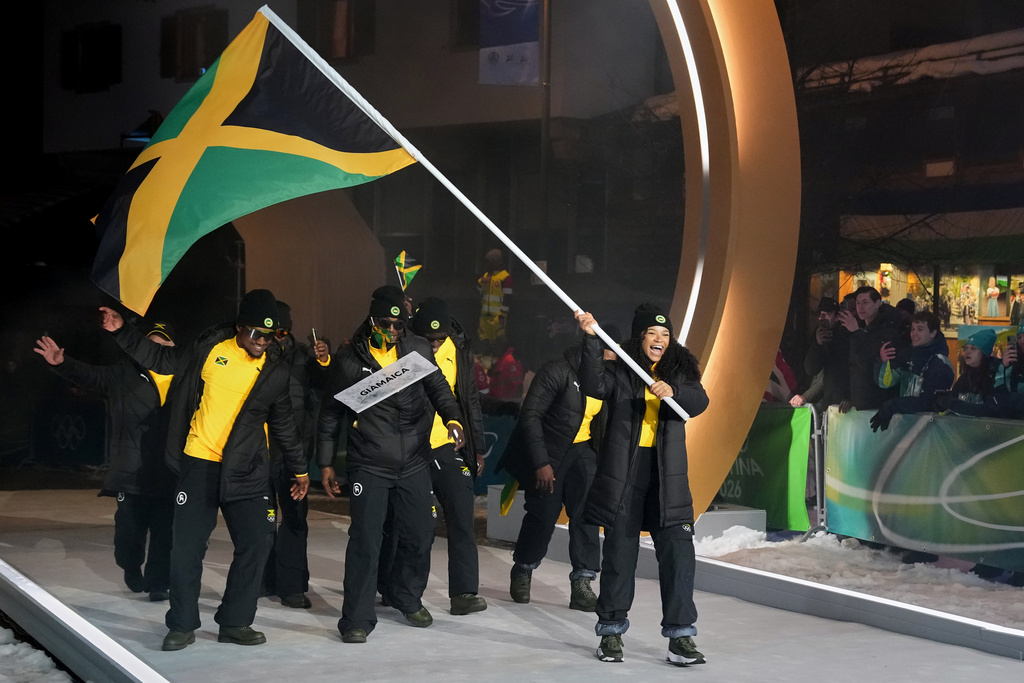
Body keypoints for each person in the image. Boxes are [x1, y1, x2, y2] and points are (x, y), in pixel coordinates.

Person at [99, 289, 310, 652]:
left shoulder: (276, 368)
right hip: (200, 461)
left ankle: (235, 621)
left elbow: (284, 422)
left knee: (258, 541)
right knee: (186, 548)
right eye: (256, 333)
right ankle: (181, 625)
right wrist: (122, 332)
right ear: (240, 327)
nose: (262, 342)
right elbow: (159, 357)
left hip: (248, 469)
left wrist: (301, 469)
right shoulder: (209, 349)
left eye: (270, 335)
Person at [317, 292, 466, 643]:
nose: (394, 330)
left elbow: (439, 389)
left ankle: (405, 595)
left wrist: (454, 419)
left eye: (400, 325)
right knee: (366, 542)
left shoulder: (417, 349)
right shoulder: (351, 360)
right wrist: (324, 462)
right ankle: (356, 619)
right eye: (387, 324)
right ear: (372, 321)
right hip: (370, 463)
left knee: (420, 532)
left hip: (414, 458)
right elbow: (330, 414)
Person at [576, 305, 709, 666]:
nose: (660, 340)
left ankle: (681, 637)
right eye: (653, 333)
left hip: (669, 479)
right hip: (625, 477)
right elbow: (592, 384)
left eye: (665, 335)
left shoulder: (679, 372)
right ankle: (611, 632)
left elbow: (700, 401)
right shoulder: (620, 371)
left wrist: (674, 390)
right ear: (639, 338)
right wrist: (590, 341)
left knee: (680, 556)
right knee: (620, 556)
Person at [33, 322, 177, 601]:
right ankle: (131, 565)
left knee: (166, 532)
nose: (155, 350)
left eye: (163, 345)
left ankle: (159, 581)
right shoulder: (124, 372)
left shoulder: (186, 377)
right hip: (130, 471)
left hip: (171, 471)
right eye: (151, 343)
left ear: (173, 348)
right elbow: (91, 375)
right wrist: (62, 363)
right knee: (129, 532)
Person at [378, 297, 488, 616]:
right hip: (410, 448)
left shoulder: (460, 352)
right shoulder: (403, 348)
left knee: (462, 516)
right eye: (430, 340)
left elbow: (469, 402)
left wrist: (477, 447)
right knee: (405, 522)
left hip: (447, 446)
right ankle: (391, 586)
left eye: (440, 339)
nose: (436, 345)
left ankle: (464, 593)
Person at [498, 326, 621, 613]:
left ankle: (583, 582)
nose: (615, 355)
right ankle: (524, 567)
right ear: (594, 349)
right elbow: (531, 416)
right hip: (549, 451)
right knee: (543, 516)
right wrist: (541, 462)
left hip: (584, 450)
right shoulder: (557, 371)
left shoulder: (608, 376)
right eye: (610, 349)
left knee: (586, 515)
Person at [261, 302, 330, 609]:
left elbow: (326, 385)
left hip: (295, 454)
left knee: (294, 520)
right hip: (258, 452)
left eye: (283, 330)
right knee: (260, 522)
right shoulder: (253, 353)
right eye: (272, 331)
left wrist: (325, 359)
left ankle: (292, 587)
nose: (277, 337)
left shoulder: (304, 355)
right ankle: (264, 580)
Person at [869, 311, 954, 432]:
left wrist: (892, 406)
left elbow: (928, 402)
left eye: (920, 329)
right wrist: (883, 362)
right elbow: (886, 382)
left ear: (933, 333)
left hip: (931, 431)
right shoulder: (908, 355)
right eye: (913, 329)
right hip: (908, 427)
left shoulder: (940, 363)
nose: (914, 334)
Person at [840, 286, 904, 411]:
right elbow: (853, 367)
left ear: (878, 303)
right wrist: (849, 396)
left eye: (865, 302)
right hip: (861, 401)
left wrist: (856, 333)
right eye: (858, 303)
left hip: (879, 402)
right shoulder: (859, 328)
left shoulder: (889, 330)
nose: (860, 307)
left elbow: (867, 363)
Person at [802, 296, 852, 413]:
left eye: (827, 314)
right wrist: (818, 345)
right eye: (821, 314)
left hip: (841, 404)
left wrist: (850, 397)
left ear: (837, 316)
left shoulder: (847, 337)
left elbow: (853, 370)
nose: (822, 318)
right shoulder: (818, 337)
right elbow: (811, 369)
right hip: (828, 401)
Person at [945, 329, 1002, 416]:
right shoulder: (965, 377)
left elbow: (989, 411)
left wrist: (953, 404)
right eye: (966, 348)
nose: (967, 352)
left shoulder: (995, 377)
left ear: (983, 353)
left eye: (973, 348)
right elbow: (953, 399)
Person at [477, 248, 513, 354]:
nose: (486, 264)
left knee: (500, 343)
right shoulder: (486, 276)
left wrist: (503, 313)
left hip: (498, 318)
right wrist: (481, 282)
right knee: (483, 343)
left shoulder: (505, 277)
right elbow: (478, 291)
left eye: (489, 261)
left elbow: (508, 297)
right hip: (484, 318)